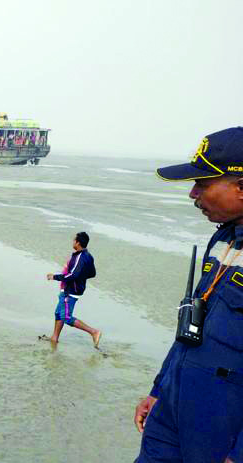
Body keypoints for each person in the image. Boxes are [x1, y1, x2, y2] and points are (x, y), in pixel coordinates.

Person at [135, 127, 243, 463]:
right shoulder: (224, 240)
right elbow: (193, 326)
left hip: (221, 430)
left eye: (203, 184)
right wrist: (160, 390)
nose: (193, 194)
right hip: (173, 411)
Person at [45, 232, 101, 347]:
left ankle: (94, 332)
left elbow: (72, 275)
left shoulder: (80, 257)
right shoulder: (87, 255)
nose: (72, 242)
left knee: (66, 317)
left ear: (78, 242)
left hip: (70, 291)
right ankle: (54, 338)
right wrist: (80, 278)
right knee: (58, 314)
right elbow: (92, 273)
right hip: (70, 289)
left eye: (74, 240)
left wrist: (54, 277)